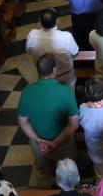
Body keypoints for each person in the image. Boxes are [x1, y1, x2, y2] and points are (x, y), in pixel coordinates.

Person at [17, 53, 80, 188]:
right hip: (63, 143)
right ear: (54, 70)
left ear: (38, 71)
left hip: (39, 145)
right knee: (68, 175)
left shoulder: (27, 91)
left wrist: (39, 140)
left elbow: (23, 122)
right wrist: (55, 142)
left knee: (43, 173)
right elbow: (74, 124)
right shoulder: (65, 91)